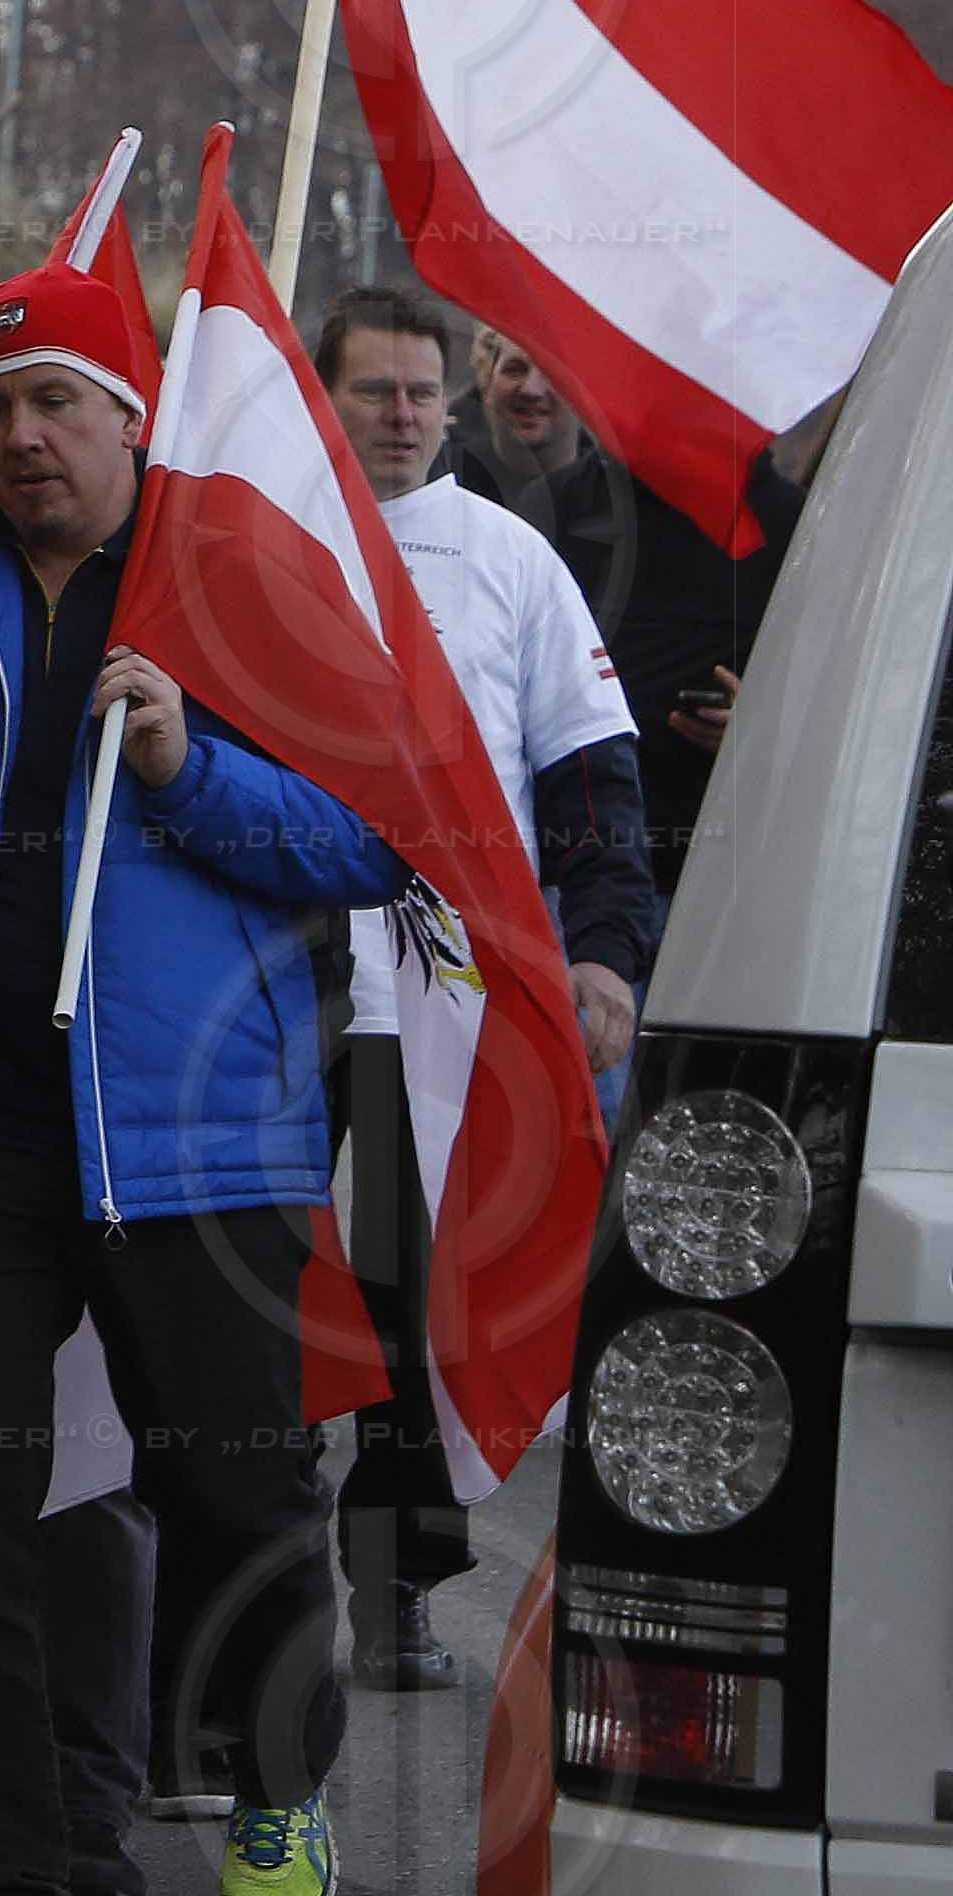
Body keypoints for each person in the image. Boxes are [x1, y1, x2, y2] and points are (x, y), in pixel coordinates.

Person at [0, 252, 407, 1896]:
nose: (20, 433)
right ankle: (6, 1858)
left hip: (192, 1135)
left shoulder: (233, 576)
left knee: (237, 1501)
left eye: (53, 398)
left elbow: (369, 838)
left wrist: (190, 767)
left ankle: (269, 1797)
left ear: (129, 414)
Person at [313, 287, 653, 1690]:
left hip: (439, 1010)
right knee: (233, 1308)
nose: (400, 417)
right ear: (320, 397)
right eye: (372, 392)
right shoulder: (244, 542)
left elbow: (593, 787)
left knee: (407, 1315)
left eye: (418, 393)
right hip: (257, 997)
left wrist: (603, 952)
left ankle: (396, 1582)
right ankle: (213, 1607)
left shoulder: (510, 563)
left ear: (446, 402)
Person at [450, 334, 810, 903]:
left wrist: (766, 728)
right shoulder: (556, 508)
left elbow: (838, 686)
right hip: (568, 869)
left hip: (721, 880)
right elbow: (489, 672)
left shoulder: (795, 526)